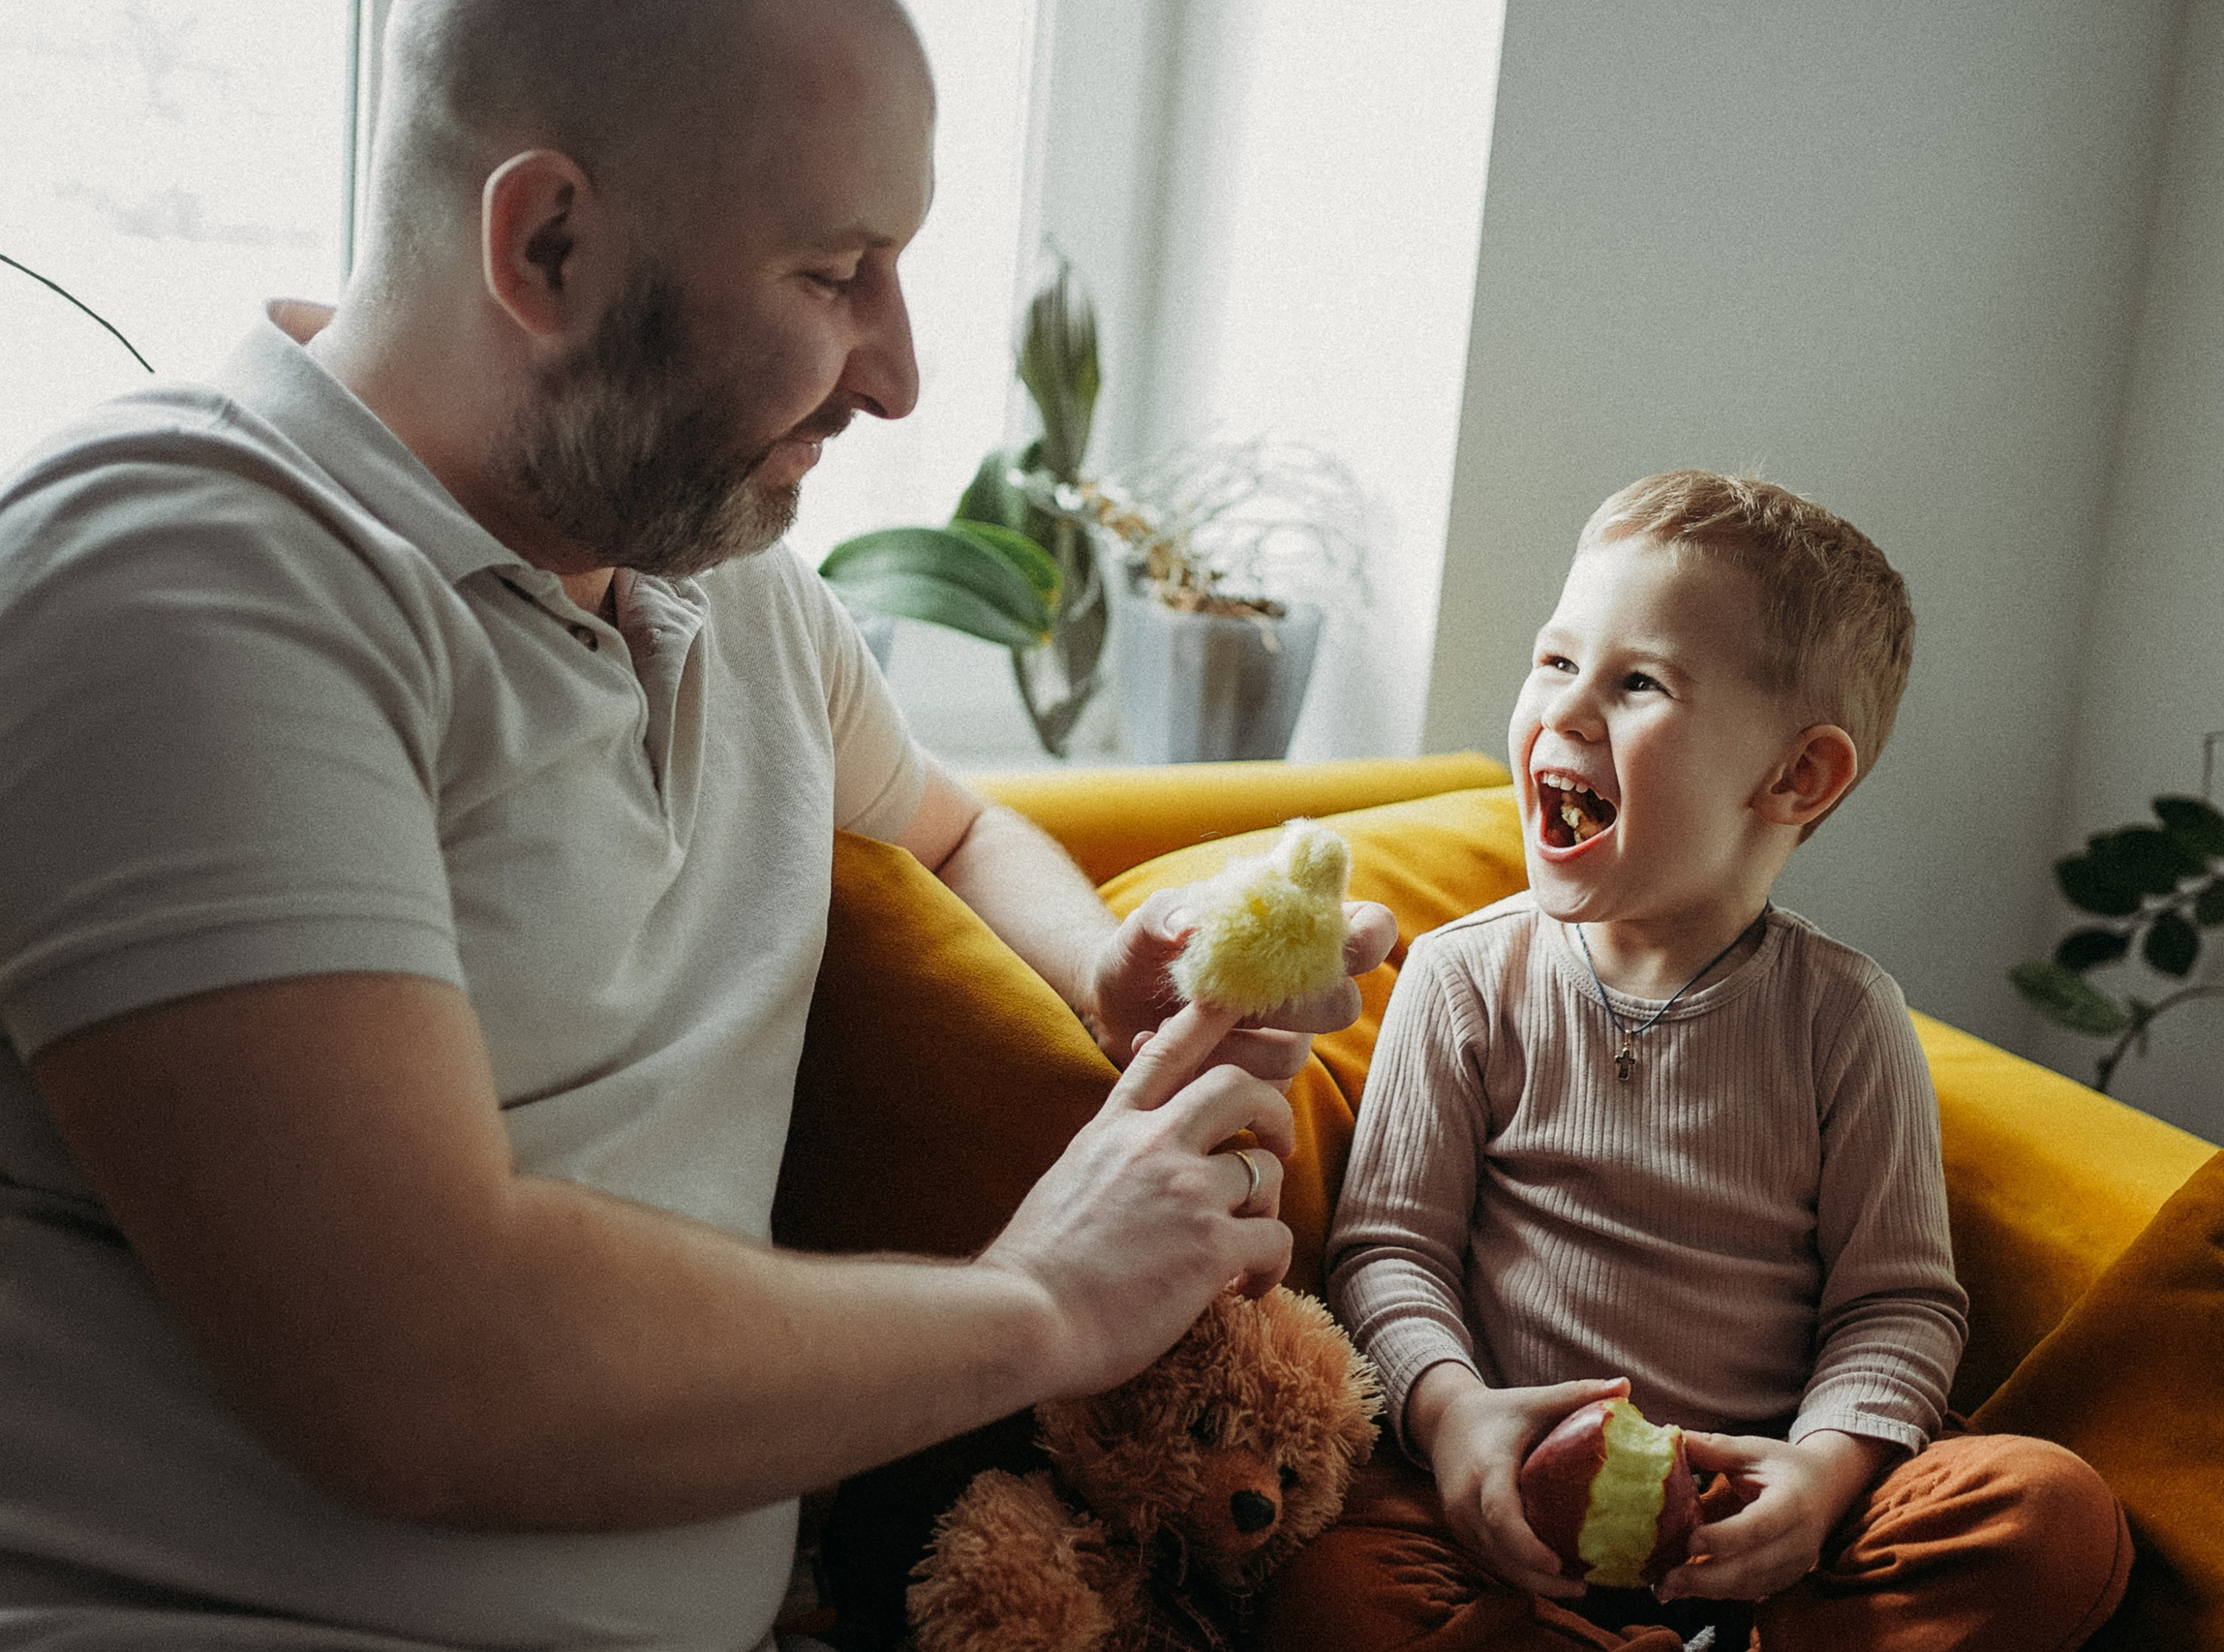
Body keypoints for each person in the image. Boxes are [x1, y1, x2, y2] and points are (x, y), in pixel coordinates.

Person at [0, 2, 1392, 1647]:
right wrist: (1039, 1302)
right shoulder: (183, 579)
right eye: (834, 273)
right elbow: (419, 1378)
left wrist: (1110, 961)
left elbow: (951, 831)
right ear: (549, 245)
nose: (898, 371)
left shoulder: (736, 596)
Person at [1271, 473, 2129, 1652]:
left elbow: (1896, 1305)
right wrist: (1454, 1413)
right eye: (1556, 660)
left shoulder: (1843, 1019)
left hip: (1753, 1539)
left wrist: (1821, 1482)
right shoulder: (1461, 977)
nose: (1564, 711)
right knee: (1325, 1576)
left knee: (2047, 1512)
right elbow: (1387, 1249)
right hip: (1497, 1511)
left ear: (1797, 778)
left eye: (1636, 682)